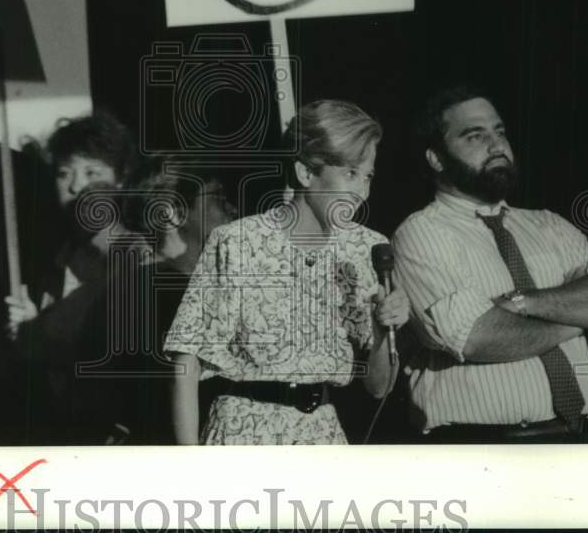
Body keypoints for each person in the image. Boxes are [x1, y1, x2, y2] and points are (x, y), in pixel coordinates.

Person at [392, 86, 588, 443]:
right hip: (482, 447)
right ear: (436, 158)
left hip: (576, 438)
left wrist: (524, 303)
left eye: (500, 132)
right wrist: (580, 319)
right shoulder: (420, 233)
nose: (496, 147)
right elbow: (476, 337)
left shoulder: (547, 224)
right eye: (475, 136)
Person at [165, 100, 410, 445]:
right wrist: (189, 465)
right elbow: (185, 361)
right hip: (242, 434)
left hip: (321, 438)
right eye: (350, 174)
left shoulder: (366, 248)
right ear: (305, 173)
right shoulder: (237, 242)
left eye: (368, 176)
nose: (362, 191)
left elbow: (379, 386)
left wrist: (383, 330)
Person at [74, 155, 237, 444]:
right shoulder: (172, 298)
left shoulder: (127, 290)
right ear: (172, 213)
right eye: (217, 197)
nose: (232, 208)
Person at [4, 111, 139, 442]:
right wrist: (28, 326)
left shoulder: (135, 257)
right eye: (64, 173)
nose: (76, 186)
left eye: (92, 172)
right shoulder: (56, 260)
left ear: (121, 180)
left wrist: (37, 329)